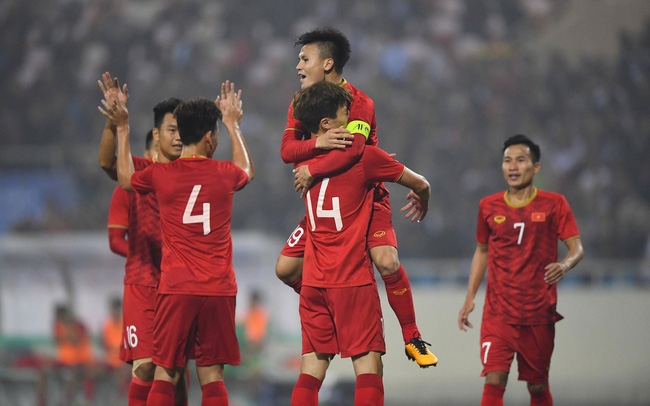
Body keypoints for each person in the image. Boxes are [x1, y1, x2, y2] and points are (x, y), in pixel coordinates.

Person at [277, 26, 437, 368]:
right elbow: (287, 149)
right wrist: (317, 144)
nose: (298, 66)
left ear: (328, 63)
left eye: (305, 59)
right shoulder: (301, 103)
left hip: (365, 198)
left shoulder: (358, 103)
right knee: (286, 269)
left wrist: (313, 169)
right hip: (324, 207)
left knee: (386, 262)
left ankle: (412, 337)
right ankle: (333, 305)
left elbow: (354, 152)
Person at [103, 81, 254, 406]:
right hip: (218, 288)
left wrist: (125, 126)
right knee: (212, 376)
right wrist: (233, 123)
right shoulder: (225, 173)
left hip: (176, 287)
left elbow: (126, 179)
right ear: (210, 138)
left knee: (166, 372)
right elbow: (247, 169)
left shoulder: (162, 175)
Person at [289, 81, 431, 405]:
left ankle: (412, 334)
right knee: (368, 367)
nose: (354, 122)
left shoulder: (303, 163)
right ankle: (412, 334)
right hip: (351, 281)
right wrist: (423, 197)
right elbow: (421, 183)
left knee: (311, 370)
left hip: (313, 284)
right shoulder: (364, 157)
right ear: (327, 124)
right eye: (345, 114)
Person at [457, 134, 585, 406]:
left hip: (538, 313)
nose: (512, 167)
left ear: (536, 167)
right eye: (507, 161)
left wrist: (564, 265)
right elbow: (482, 251)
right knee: (494, 378)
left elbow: (577, 249)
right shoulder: (488, 206)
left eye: (520, 160)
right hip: (498, 313)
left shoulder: (554, 204)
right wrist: (470, 297)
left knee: (537, 385)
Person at [97, 71, 187, 406]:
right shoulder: (137, 170)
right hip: (143, 283)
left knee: (175, 373)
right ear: (157, 133)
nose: (179, 138)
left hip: (181, 287)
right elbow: (106, 162)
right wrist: (115, 123)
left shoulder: (195, 176)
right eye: (172, 130)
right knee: (147, 365)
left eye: (183, 131)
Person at [107, 129, 157, 258]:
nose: (162, 156)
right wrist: (146, 256)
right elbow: (116, 240)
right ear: (146, 154)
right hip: (146, 275)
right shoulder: (126, 190)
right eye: (158, 149)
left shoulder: (186, 185)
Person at [102, 296, 131, 402]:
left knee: (125, 371)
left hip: (124, 361)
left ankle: (121, 398)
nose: (113, 311)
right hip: (110, 361)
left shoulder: (126, 322)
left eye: (115, 309)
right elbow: (106, 346)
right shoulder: (106, 325)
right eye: (112, 309)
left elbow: (129, 346)